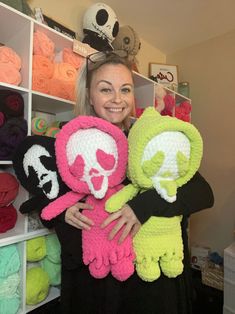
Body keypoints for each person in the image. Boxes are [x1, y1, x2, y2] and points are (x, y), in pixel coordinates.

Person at [44, 50, 214, 314]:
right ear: (89, 94)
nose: (117, 99)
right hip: (98, 284)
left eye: (125, 90)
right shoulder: (72, 145)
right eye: (105, 89)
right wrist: (63, 213)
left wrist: (142, 206)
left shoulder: (147, 140)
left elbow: (203, 191)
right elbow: (47, 203)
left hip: (151, 284)